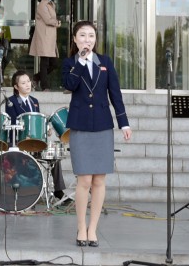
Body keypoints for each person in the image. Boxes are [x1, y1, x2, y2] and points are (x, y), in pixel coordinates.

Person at [62, 20, 131, 247]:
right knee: (84, 180)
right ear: (75, 39)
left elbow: (115, 94)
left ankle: (93, 228)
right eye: (82, 35)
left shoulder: (105, 62)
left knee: (99, 179)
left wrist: (124, 123)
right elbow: (70, 84)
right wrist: (81, 62)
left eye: (91, 35)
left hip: (102, 125)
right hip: (80, 126)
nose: (87, 40)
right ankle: (81, 227)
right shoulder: (70, 63)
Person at [5, 70, 66, 199]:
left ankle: (58, 190)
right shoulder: (11, 102)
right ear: (16, 87)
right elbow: (13, 123)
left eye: (28, 81)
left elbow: (37, 121)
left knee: (54, 152)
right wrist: (24, 134)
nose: (28, 84)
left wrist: (46, 129)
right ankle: (26, 191)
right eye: (23, 83)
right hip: (20, 142)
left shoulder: (34, 101)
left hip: (36, 143)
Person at [29, 0, 61, 91]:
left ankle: (36, 77)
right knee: (45, 62)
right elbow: (48, 20)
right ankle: (45, 86)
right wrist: (57, 22)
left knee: (54, 63)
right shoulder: (42, 5)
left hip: (50, 37)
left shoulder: (51, 4)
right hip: (44, 37)